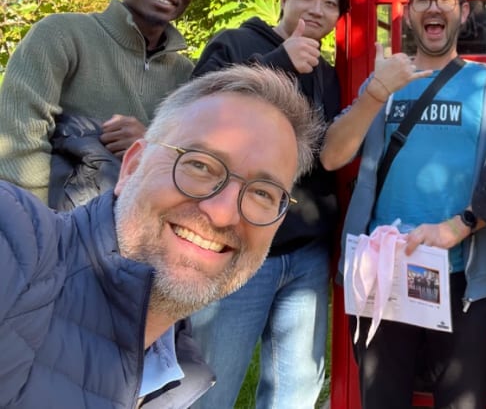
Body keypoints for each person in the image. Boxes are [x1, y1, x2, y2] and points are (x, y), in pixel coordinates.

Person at [0, 64, 322, 408]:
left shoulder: (177, 374)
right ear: (133, 165)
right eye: (199, 165)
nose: (223, 213)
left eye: (263, 193)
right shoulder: (19, 247)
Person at [320, 0, 486, 409]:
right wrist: (375, 92)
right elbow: (332, 156)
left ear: (463, 14)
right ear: (408, 14)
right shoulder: (386, 81)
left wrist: (461, 225)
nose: (434, 6)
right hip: (382, 277)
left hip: (461, 279)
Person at [188, 0, 350, 409]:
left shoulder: (328, 71)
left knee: (295, 389)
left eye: (331, 3)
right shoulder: (237, 44)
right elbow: (199, 115)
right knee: (210, 386)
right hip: (238, 249)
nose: (317, 10)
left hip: (305, 255)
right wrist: (278, 63)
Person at [0, 0, 201, 204]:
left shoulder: (186, 75)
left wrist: (150, 144)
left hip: (140, 231)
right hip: (56, 226)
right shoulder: (62, 34)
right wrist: (34, 224)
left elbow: (194, 160)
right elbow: (20, 135)